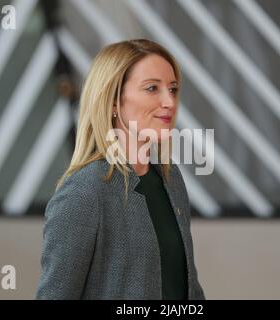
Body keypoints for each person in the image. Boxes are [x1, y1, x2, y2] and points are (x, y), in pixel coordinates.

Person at [36, 39, 205, 300]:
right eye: (152, 88)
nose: (169, 102)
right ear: (113, 101)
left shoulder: (171, 180)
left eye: (172, 89)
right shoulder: (83, 193)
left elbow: (188, 288)